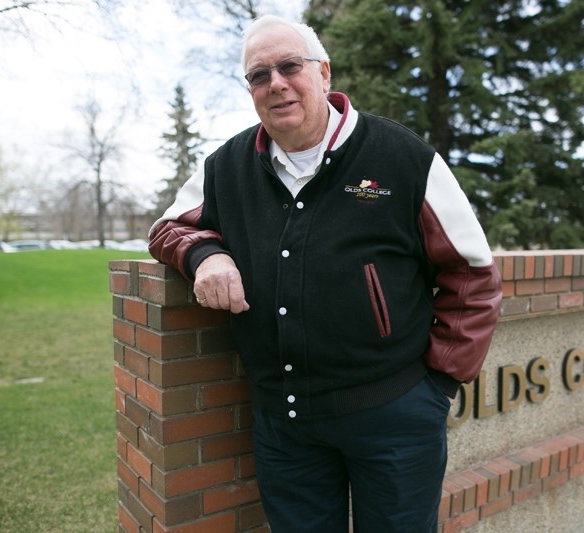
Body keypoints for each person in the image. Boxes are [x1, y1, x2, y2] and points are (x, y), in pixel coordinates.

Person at [148, 14, 502, 533]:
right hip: (285, 428)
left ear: (324, 73)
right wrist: (206, 255)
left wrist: (439, 383)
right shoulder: (226, 167)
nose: (276, 84)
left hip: (395, 418)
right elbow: (166, 228)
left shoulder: (402, 157)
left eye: (290, 66)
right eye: (259, 75)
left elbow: (472, 272)